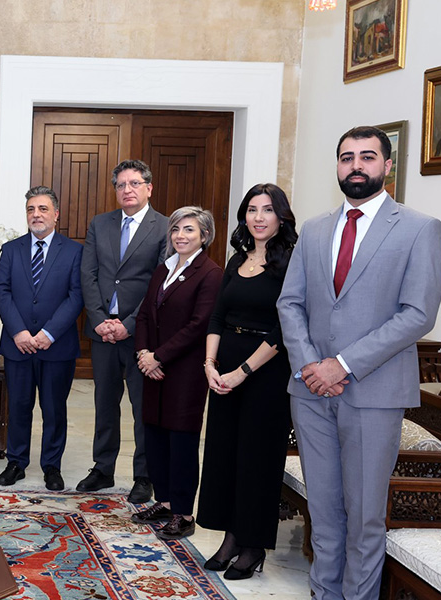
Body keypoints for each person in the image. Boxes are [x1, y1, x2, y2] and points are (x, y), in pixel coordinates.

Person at [277, 126, 441, 600]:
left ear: (387, 166)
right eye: (346, 157)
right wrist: (312, 365)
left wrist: (343, 365)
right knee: (324, 511)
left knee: (365, 516)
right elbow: (290, 303)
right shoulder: (315, 229)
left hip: (374, 392)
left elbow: (417, 314)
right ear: (337, 166)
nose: (356, 165)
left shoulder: (419, 228)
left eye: (367, 157)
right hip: (310, 391)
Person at [197, 184, 297, 579]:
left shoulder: (291, 262)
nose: (258, 217)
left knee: (257, 460)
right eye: (251, 210)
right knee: (224, 456)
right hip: (224, 372)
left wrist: (242, 372)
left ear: (281, 217)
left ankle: (253, 545)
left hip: (265, 374)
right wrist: (210, 364)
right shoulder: (237, 259)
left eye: (267, 210)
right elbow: (217, 316)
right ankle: (231, 537)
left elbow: (283, 329)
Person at [78, 159, 168, 504]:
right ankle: (103, 468)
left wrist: (128, 325)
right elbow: (88, 275)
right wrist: (100, 319)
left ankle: (144, 475)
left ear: (149, 188)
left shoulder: (164, 227)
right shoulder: (100, 224)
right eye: (120, 185)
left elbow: (160, 283)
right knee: (104, 403)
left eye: (134, 183)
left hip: (141, 333)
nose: (127, 190)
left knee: (143, 408)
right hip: (102, 330)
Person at [131, 206, 222, 540]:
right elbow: (144, 314)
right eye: (176, 229)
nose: (180, 236)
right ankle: (165, 502)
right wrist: (143, 353)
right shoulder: (163, 268)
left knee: (181, 442)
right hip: (153, 369)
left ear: (205, 236)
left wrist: (159, 357)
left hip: (184, 372)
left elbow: (199, 326)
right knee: (155, 437)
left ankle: (183, 514)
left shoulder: (210, 273)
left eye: (189, 230)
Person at [0, 185, 84, 491]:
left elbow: (76, 296)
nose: (36, 214)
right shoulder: (11, 250)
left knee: (54, 409)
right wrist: (19, 331)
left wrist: (49, 333)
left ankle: (52, 466)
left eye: (43, 209)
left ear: (56, 214)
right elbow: (1, 291)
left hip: (57, 347)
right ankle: (16, 462)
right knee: (18, 406)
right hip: (17, 345)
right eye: (31, 209)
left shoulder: (74, 251)